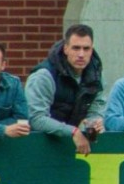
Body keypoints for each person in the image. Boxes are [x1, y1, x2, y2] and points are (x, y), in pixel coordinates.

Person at [26, 24, 106, 155]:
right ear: (66, 48)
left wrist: (94, 123)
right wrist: (73, 131)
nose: (81, 54)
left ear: (92, 50)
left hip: (71, 148)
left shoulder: (96, 76)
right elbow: (36, 119)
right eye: (76, 48)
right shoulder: (43, 76)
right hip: (38, 148)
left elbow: (95, 110)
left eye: (86, 49)